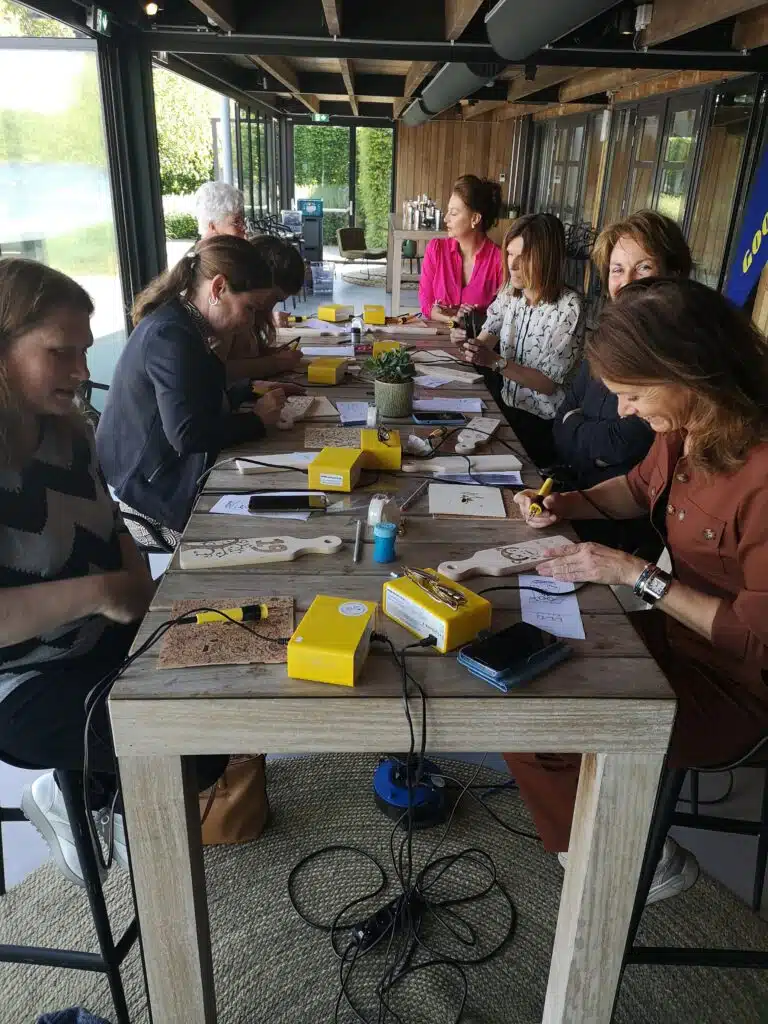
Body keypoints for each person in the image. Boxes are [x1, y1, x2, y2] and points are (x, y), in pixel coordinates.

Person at [510, 277, 768, 903]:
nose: (623, 410)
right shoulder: (688, 425)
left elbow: (753, 637)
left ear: (688, 372)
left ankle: (626, 862)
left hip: (738, 687)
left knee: (543, 721)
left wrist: (635, 574)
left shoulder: (762, 474)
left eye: (631, 394)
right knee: (522, 673)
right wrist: (564, 503)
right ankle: (599, 834)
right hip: (676, 640)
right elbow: (635, 488)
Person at [0, 258, 227, 886]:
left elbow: (113, 523)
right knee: (188, 739)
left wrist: (141, 591)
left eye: (83, 352)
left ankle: (96, 790)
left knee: (227, 678)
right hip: (21, 683)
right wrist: (104, 592)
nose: (81, 372)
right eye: (60, 353)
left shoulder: (70, 433)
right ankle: (88, 794)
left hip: (100, 638)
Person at [96, 235, 287, 545]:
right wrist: (257, 421)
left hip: (162, 477)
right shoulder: (171, 336)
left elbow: (197, 399)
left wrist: (249, 390)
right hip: (148, 502)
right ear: (218, 288)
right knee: (260, 533)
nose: (251, 322)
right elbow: (187, 435)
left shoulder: (184, 322)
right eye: (250, 309)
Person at [459, 214, 584, 467]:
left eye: (523, 256)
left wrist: (494, 361)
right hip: (506, 407)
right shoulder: (511, 292)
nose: (513, 265)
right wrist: (466, 339)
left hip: (544, 425)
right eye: (509, 254)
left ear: (546, 259)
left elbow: (547, 384)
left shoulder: (569, 307)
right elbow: (485, 341)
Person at [418, 174, 503, 324]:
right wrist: (451, 319)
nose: (446, 219)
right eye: (448, 211)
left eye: (454, 213)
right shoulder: (436, 250)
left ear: (475, 219)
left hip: (477, 338)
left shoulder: (499, 261)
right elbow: (426, 304)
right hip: (437, 335)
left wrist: (474, 320)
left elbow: (503, 316)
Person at [225, 234, 306, 383]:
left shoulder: (252, 315)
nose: (269, 306)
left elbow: (244, 356)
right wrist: (274, 363)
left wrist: (268, 354)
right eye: (274, 298)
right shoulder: (228, 315)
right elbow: (219, 371)